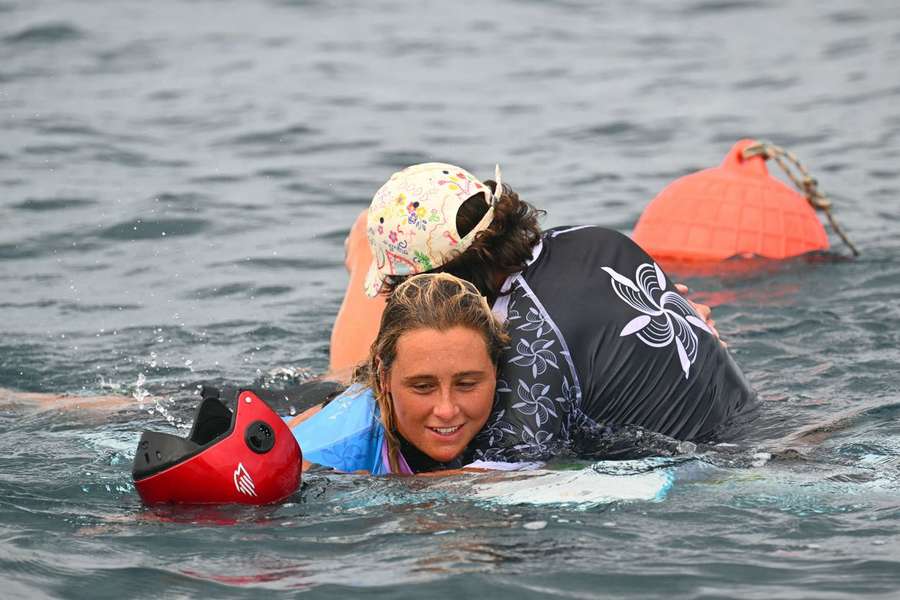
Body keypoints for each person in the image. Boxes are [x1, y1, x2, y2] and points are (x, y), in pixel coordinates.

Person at [330, 162, 759, 463]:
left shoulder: (531, 352)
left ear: (447, 278)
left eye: (407, 286)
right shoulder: (594, 239)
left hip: (718, 474)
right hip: (756, 423)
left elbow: (494, 490)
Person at [288, 272, 509, 474]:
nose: (446, 410)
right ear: (384, 378)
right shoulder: (326, 451)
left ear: (495, 370)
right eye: (423, 387)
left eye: (467, 384)